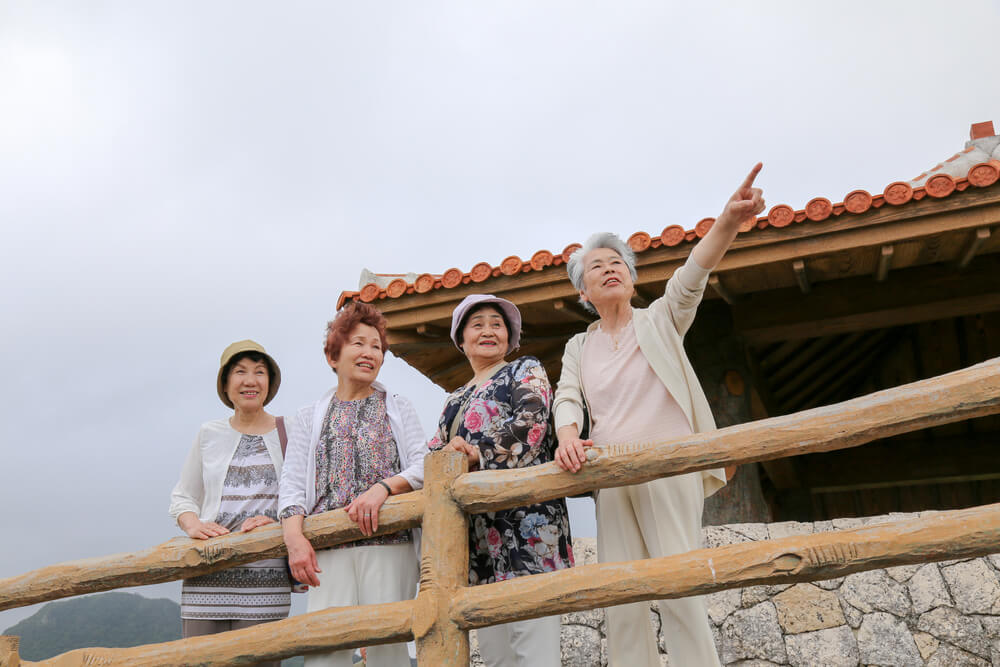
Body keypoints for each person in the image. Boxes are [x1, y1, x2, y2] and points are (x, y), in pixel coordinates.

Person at [553, 165, 767, 667]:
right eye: (596, 267)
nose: (609, 269)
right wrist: (567, 434)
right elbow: (567, 396)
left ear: (631, 277)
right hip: (609, 470)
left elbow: (693, 273)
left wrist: (729, 221)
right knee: (620, 596)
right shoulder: (578, 345)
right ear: (583, 292)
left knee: (680, 587)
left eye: (617, 263)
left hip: (668, 461)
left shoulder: (661, 320)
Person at [429, 294, 574, 667]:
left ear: (510, 339)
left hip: (531, 530)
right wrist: (449, 454)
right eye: (477, 325)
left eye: (497, 324)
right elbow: (433, 456)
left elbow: (533, 422)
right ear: (461, 340)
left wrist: (474, 452)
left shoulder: (524, 370)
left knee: (535, 651)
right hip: (478, 545)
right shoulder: (453, 400)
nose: (488, 331)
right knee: (496, 657)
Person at [278, 302, 425, 667]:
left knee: (388, 645)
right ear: (333, 354)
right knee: (326, 648)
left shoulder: (399, 406)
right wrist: (295, 540)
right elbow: (293, 484)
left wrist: (384, 488)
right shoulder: (309, 415)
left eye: (376, 346)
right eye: (358, 343)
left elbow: (426, 464)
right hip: (328, 547)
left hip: (391, 543)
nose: (369, 353)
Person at [168, 340, 291, 666]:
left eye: (259, 372)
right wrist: (193, 523)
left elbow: (305, 498)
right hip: (207, 576)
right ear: (226, 384)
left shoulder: (289, 431)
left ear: (269, 383)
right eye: (240, 372)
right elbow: (183, 495)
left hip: (265, 582)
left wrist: (278, 523)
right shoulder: (209, 433)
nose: (250, 380)